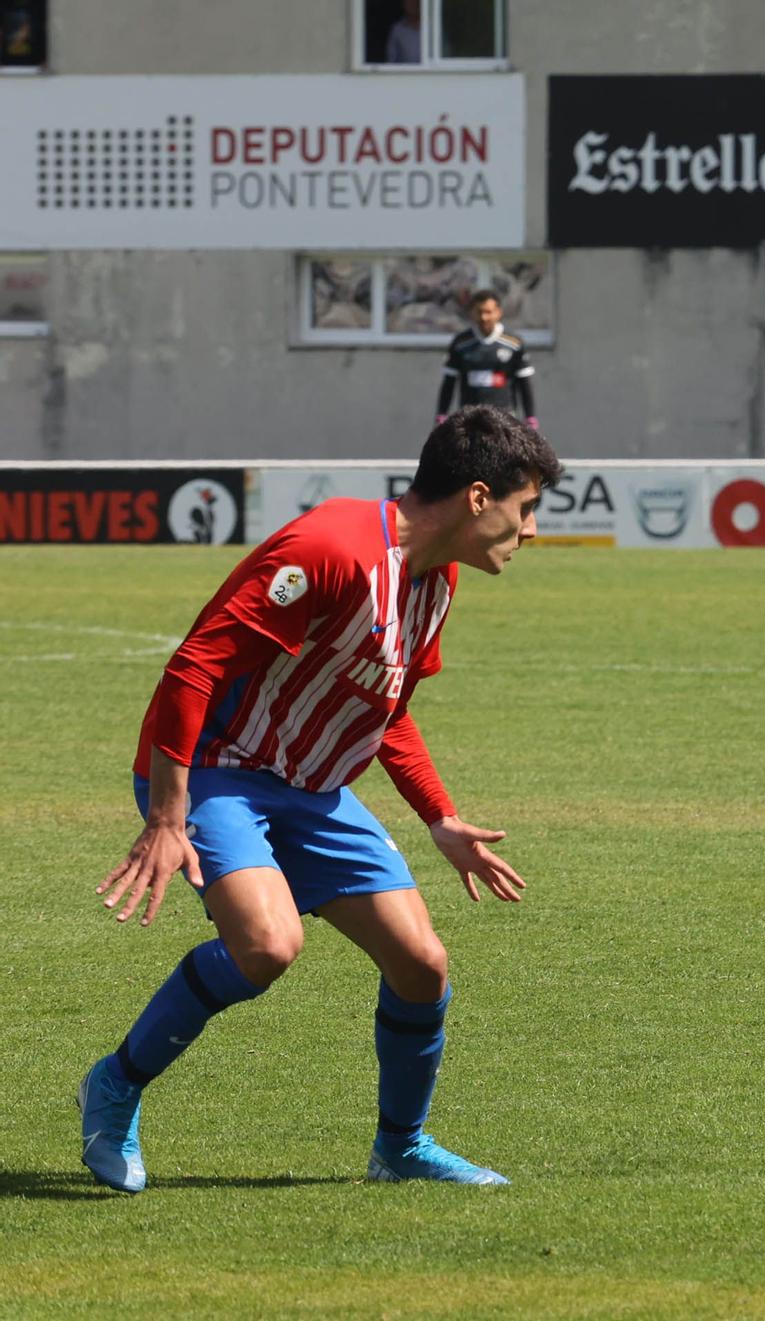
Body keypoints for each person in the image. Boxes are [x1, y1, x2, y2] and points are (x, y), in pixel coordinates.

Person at [81, 407, 561, 1194]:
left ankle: (399, 1147)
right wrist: (167, 815)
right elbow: (194, 667)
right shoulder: (332, 547)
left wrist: (438, 816)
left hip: (312, 786)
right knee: (267, 946)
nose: (532, 529)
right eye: (528, 507)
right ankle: (114, 1084)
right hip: (216, 771)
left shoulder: (434, 581)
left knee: (422, 964)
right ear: (480, 496)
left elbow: (387, 708)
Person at [437, 290, 538, 430]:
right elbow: (449, 382)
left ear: (498, 312)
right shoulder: (461, 343)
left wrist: (530, 417)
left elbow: (524, 383)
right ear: (472, 313)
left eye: (488, 312)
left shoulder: (514, 343)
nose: (484, 317)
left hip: (504, 418)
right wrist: (442, 414)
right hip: (469, 419)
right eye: (479, 312)